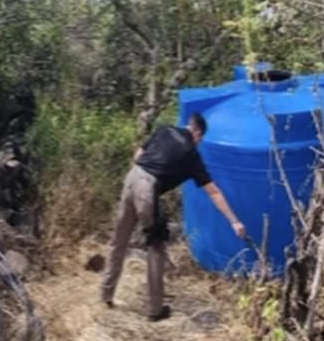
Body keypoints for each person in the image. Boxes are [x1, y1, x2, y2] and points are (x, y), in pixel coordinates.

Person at [101, 112, 246, 321]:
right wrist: (235, 221)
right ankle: (155, 310)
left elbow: (139, 153)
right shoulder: (191, 154)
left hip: (132, 177)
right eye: (200, 140)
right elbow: (213, 192)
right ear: (197, 133)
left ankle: (106, 293)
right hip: (147, 188)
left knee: (119, 240)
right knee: (156, 247)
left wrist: (143, 175)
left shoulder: (164, 129)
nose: (199, 143)